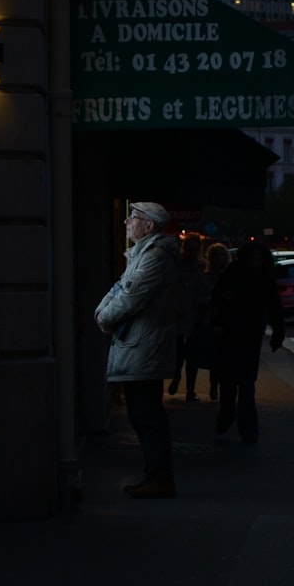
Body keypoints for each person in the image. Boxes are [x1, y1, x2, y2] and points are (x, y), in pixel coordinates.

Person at [95, 201, 179, 498]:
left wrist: (104, 317)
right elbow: (121, 289)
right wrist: (103, 312)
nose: (127, 222)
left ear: (149, 226)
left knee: (146, 414)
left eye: (134, 217)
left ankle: (159, 478)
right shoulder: (142, 255)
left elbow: (131, 294)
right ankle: (154, 476)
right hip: (138, 344)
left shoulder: (154, 258)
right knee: (142, 413)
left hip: (144, 345)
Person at [210, 240, 285, 443]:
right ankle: (243, 426)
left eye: (257, 259)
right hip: (238, 332)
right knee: (238, 382)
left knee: (240, 383)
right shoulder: (256, 275)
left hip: (242, 333)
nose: (254, 263)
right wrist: (278, 332)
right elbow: (274, 306)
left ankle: (235, 421)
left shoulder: (238, 272)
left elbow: (274, 305)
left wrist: (278, 331)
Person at [189, 242, 232, 402]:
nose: (218, 258)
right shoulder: (202, 275)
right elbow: (194, 297)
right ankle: (191, 389)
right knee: (197, 357)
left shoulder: (229, 276)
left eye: (221, 255)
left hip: (222, 322)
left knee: (217, 359)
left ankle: (214, 387)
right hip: (205, 320)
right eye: (215, 255)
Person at [167, 232, 208, 402]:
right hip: (187, 313)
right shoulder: (199, 266)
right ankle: (185, 385)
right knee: (186, 355)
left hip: (187, 314)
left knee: (187, 354)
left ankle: (184, 384)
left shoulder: (183, 264)